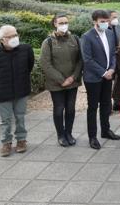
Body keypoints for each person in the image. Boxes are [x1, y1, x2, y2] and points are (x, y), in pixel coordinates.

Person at [0, 25, 34, 157]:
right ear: (2, 39)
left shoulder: (26, 49)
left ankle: (21, 140)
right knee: (5, 120)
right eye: (10, 36)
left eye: (15, 35)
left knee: (20, 117)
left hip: (21, 90)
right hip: (1, 93)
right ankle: (6, 143)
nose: (14, 38)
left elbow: (29, 66)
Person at [40, 14, 82, 147]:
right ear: (55, 24)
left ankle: (69, 133)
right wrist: (61, 79)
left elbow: (80, 60)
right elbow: (45, 63)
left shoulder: (75, 39)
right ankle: (61, 135)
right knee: (59, 109)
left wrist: (73, 77)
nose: (64, 25)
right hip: (56, 83)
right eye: (61, 23)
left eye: (66, 22)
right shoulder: (48, 42)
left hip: (72, 81)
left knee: (70, 109)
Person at [81, 10, 120, 150]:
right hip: (93, 78)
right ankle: (92, 137)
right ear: (94, 22)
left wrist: (112, 69)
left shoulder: (109, 33)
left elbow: (114, 54)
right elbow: (87, 59)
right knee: (92, 107)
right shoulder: (87, 37)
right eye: (102, 21)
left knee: (106, 104)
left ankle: (105, 130)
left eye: (106, 21)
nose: (105, 23)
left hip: (108, 75)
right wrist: (103, 72)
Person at [109, 10, 120, 112]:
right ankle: (107, 105)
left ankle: (117, 103)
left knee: (119, 81)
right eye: (113, 17)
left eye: (116, 17)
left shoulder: (118, 27)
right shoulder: (105, 29)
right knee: (108, 82)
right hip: (109, 58)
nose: (115, 19)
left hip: (119, 57)